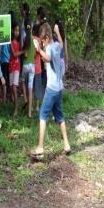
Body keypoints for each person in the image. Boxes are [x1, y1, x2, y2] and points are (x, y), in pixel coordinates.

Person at [31, 23, 71, 158]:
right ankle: (66, 144)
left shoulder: (48, 49)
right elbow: (61, 41)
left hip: (52, 89)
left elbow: (47, 58)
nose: (42, 43)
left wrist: (38, 49)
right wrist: (58, 31)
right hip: (59, 88)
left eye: (43, 40)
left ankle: (40, 147)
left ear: (47, 37)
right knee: (60, 117)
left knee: (43, 115)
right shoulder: (57, 46)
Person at [10, 24, 24, 116]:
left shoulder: (20, 43)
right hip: (11, 66)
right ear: (12, 31)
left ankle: (16, 108)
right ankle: (15, 106)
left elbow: (17, 55)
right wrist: (23, 51)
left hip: (17, 66)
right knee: (11, 87)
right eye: (15, 30)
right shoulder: (10, 42)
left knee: (14, 87)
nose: (17, 33)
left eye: (18, 31)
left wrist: (23, 51)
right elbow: (14, 54)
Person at [22, 18, 35, 117]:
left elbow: (25, 54)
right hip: (33, 66)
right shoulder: (34, 39)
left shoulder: (25, 38)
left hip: (26, 65)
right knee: (30, 88)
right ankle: (30, 113)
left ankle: (25, 99)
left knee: (22, 81)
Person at [32, 24, 44, 111]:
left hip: (32, 66)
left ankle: (32, 106)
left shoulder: (32, 39)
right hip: (38, 67)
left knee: (31, 87)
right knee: (38, 88)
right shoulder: (40, 40)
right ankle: (37, 106)